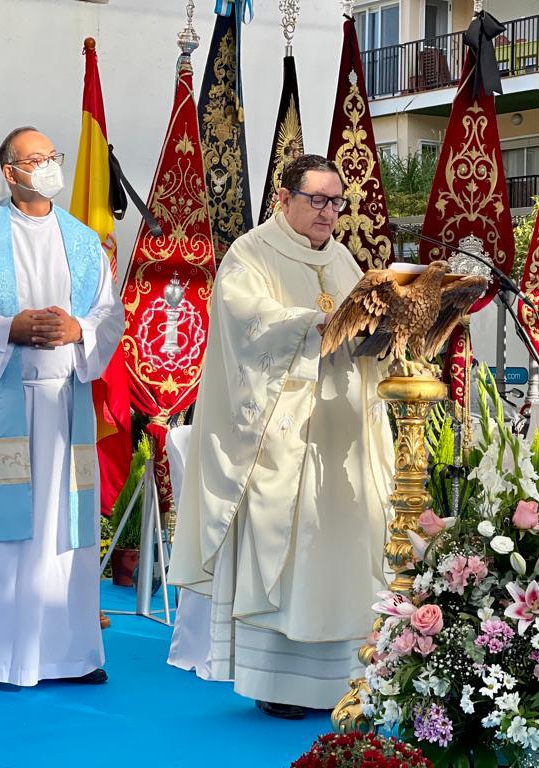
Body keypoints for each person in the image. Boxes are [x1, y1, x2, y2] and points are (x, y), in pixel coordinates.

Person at [167, 154, 395, 719]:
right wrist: (313, 322)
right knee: (293, 550)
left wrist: (381, 331)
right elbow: (247, 322)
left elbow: (362, 323)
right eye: (316, 199)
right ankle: (282, 683)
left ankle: (352, 677)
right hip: (286, 435)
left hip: (343, 431)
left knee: (344, 546)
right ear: (284, 199)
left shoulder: (343, 258)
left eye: (336, 201)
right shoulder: (251, 253)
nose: (328, 212)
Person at [0, 126, 123, 693]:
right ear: (10, 172)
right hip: (2, 399)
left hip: (64, 405)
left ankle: (69, 654)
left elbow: (111, 317)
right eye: (35, 159)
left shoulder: (84, 241)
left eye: (52, 157)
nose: (48, 166)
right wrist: (4, 328)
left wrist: (77, 328)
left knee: (63, 538)